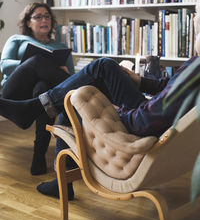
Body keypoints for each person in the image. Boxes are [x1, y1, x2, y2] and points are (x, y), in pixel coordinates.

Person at [0, 52, 200, 199]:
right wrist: (140, 81)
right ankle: (62, 179)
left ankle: (33, 112)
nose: (194, 18)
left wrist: (114, 111)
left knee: (100, 68)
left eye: (197, 12)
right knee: (82, 83)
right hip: (151, 117)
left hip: (141, 126)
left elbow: (145, 121)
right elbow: (171, 87)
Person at [0, 2, 74, 175]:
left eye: (47, 16)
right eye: (38, 16)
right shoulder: (17, 40)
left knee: (44, 91)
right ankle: (87, 88)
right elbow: (4, 66)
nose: (44, 20)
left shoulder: (61, 48)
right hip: (14, 95)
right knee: (37, 62)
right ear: (28, 22)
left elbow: (69, 75)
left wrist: (62, 71)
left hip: (38, 98)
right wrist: (32, 63)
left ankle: (39, 155)